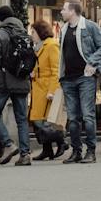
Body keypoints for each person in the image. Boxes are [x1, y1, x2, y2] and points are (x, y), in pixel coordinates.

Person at [55, 0, 101, 164]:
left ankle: (91, 151)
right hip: (68, 78)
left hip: (85, 78)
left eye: (64, 9)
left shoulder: (90, 26)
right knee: (72, 118)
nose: (62, 12)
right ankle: (76, 151)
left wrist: (92, 62)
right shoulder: (64, 29)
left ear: (72, 11)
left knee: (87, 115)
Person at [0, 4, 34, 166]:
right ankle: (25, 154)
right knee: (21, 119)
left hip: (4, 81)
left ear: (0, 19)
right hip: (22, 80)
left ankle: (8, 143)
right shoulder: (24, 33)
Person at [26, 18, 61, 149]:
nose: (32, 35)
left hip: (46, 89)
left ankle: (61, 141)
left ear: (40, 32)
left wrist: (52, 91)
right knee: (39, 121)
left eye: (33, 32)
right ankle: (48, 150)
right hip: (38, 88)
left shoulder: (51, 45)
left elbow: (55, 70)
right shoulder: (38, 47)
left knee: (44, 122)